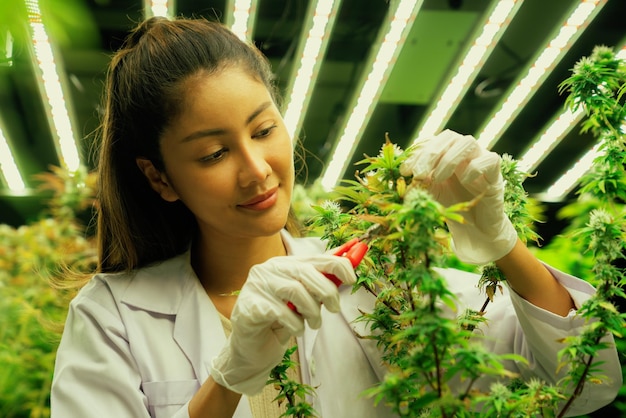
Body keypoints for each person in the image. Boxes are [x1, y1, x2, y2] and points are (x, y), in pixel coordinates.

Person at [50, 15, 622, 418]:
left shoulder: (373, 280)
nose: (256, 169)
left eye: (264, 130)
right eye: (214, 154)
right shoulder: (112, 317)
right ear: (159, 178)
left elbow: (585, 380)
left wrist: (501, 243)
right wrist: (226, 379)